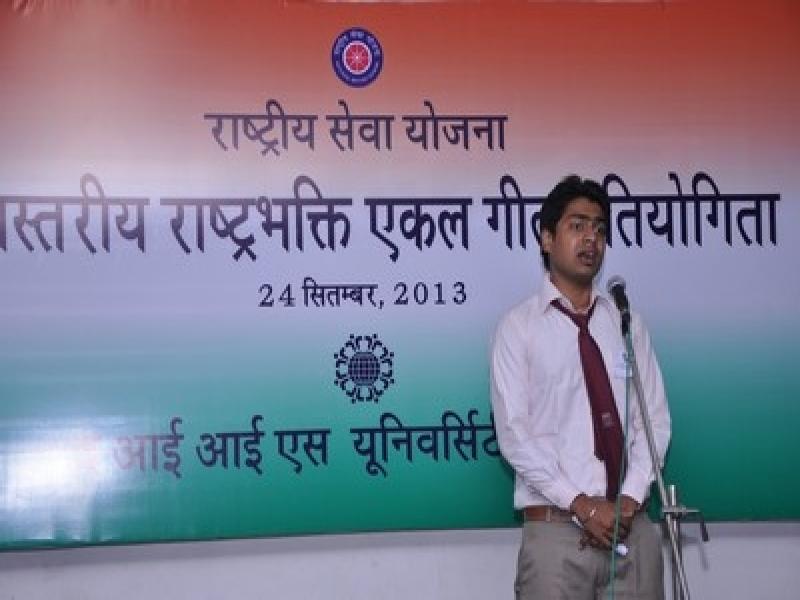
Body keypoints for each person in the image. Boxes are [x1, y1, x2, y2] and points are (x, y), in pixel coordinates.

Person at [490, 175, 671, 599]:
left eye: (600, 228)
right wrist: (582, 505)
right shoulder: (518, 328)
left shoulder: (626, 322)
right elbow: (514, 436)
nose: (591, 238)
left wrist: (628, 500)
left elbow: (654, 420)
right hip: (557, 535)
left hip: (633, 530)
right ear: (546, 239)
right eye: (577, 226)